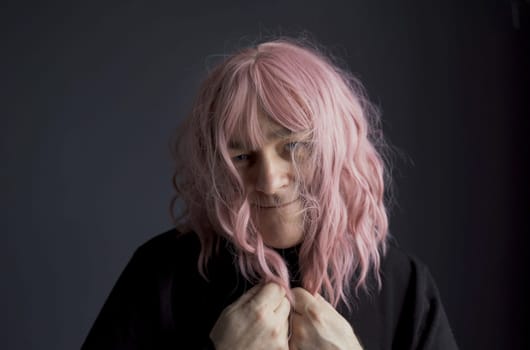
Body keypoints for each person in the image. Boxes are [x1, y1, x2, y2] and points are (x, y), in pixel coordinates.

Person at [82, 38, 458, 349]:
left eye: (293, 146)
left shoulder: (401, 284)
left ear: (335, 146)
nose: (269, 181)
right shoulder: (160, 274)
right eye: (242, 156)